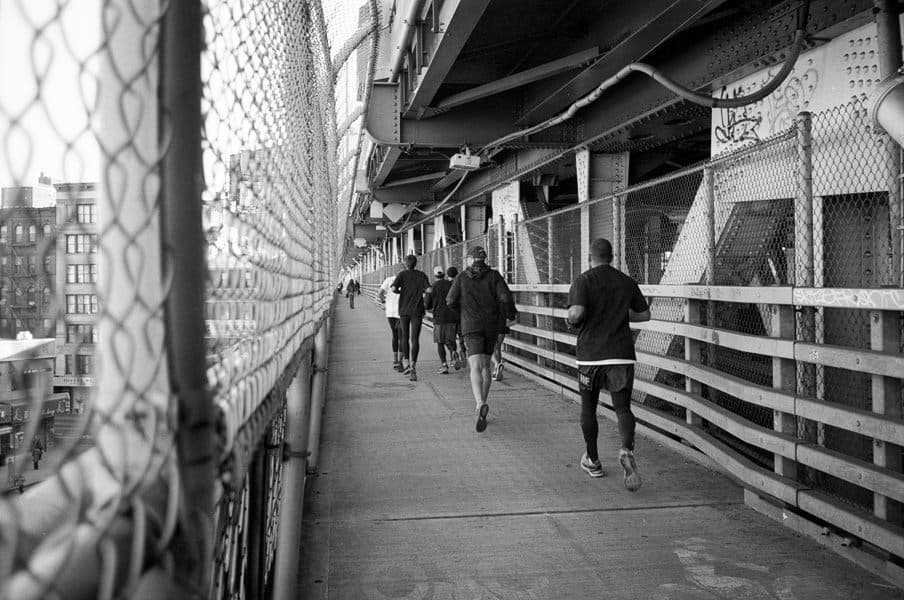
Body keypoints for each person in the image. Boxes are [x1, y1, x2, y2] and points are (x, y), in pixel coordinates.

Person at [566, 238, 650, 492]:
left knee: (589, 408)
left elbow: (577, 313)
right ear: (612, 257)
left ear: (590, 256)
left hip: (591, 356)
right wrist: (618, 313)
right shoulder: (626, 281)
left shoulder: (584, 280)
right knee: (623, 408)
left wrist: (571, 320)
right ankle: (626, 449)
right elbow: (644, 314)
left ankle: (592, 460)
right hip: (621, 355)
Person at [447, 246, 516, 433]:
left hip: (471, 325)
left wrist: (462, 314)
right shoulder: (494, 276)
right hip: (491, 325)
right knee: (486, 365)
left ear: (470, 260)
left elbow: (450, 301)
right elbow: (504, 296)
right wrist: (511, 314)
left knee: (475, 366)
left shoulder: (461, 278)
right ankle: (482, 405)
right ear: (484, 260)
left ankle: (479, 403)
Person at [391, 255, 430, 381]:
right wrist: (422, 294)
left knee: (404, 337)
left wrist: (401, 292)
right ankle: (413, 365)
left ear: (405, 264)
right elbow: (429, 289)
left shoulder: (402, 275)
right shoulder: (422, 275)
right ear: (416, 263)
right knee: (415, 339)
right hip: (417, 310)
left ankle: (406, 362)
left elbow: (393, 288)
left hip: (404, 310)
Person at [424, 266, 460, 374]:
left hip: (439, 317)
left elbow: (427, 305)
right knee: (451, 339)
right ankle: (453, 352)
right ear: (444, 274)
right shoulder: (451, 285)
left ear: (435, 276)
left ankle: (444, 365)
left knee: (440, 342)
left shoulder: (432, 287)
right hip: (453, 316)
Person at [378, 272, 403, 371]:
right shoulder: (404, 280)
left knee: (395, 335)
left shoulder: (388, 280)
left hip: (390, 312)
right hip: (401, 313)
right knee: (402, 337)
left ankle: (395, 360)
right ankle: (400, 362)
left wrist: (383, 302)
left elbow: (380, 293)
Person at [445, 266, 465, 368]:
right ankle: (463, 352)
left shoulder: (446, 285)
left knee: (449, 338)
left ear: (447, 275)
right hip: (461, 315)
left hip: (449, 316)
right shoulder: (461, 284)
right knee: (461, 336)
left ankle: (453, 353)